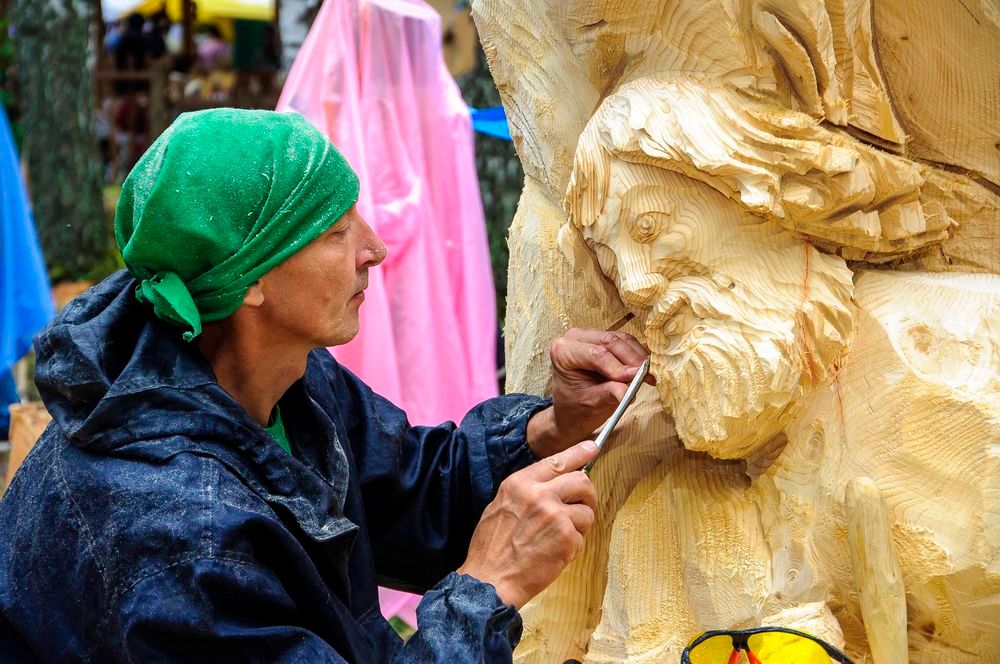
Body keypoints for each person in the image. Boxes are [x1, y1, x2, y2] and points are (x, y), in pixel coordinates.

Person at [0, 109, 652, 662]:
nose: (374, 249)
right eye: (336, 232)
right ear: (248, 280)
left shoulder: (278, 373)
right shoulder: (180, 535)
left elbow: (406, 493)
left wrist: (550, 426)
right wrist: (488, 589)